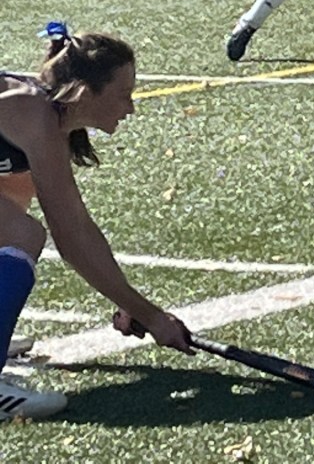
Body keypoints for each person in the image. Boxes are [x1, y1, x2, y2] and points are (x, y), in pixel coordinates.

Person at [0, 23, 193, 420]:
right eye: (123, 94)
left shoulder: (44, 128)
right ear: (86, 93)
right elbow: (71, 238)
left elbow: (75, 227)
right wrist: (150, 315)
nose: (130, 108)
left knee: (13, 222)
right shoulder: (33, 114)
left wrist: (130, 302)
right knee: (23, 234)